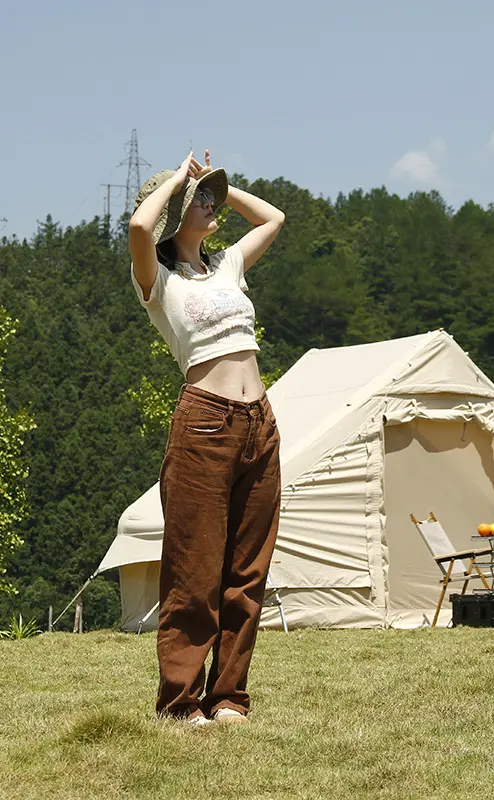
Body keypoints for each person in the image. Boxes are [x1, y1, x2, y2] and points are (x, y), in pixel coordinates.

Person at [129, 150, 285, 727]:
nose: (210, 204)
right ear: (174, 213)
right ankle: (181, 700)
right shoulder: (156, 277)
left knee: (247, 572)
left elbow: (273, 219)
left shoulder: (227, 266)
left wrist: (217, 186)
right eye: (200, 200)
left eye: (210, 197)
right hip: (204, 423)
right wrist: (178, 179)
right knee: (194, 570)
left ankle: (228, 698)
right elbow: (140, 226)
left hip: (258, 422)